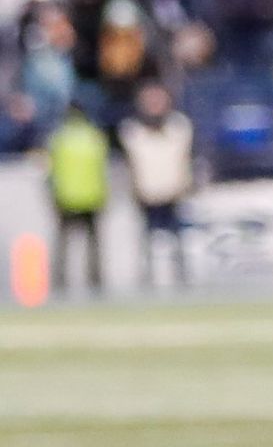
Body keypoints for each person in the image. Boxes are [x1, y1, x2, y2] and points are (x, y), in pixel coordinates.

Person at [119, 82, 194, 288]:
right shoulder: (132, 131)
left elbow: (184, 159)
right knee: (147, 243)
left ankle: (182, 281)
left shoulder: (179, 127)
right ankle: (147, 282)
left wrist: (185, 184)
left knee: (178, 242)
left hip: (173, 193)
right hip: (147, 195)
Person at [42, 103, 110, 295]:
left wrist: (52, 195)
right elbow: (103, 169)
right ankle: (96, 282)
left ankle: (59, 283)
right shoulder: (95, 136)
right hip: (92, 196)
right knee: (93, 245)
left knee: (63, 244)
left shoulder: (59, 138)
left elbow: (50, 170)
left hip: (66, 197)